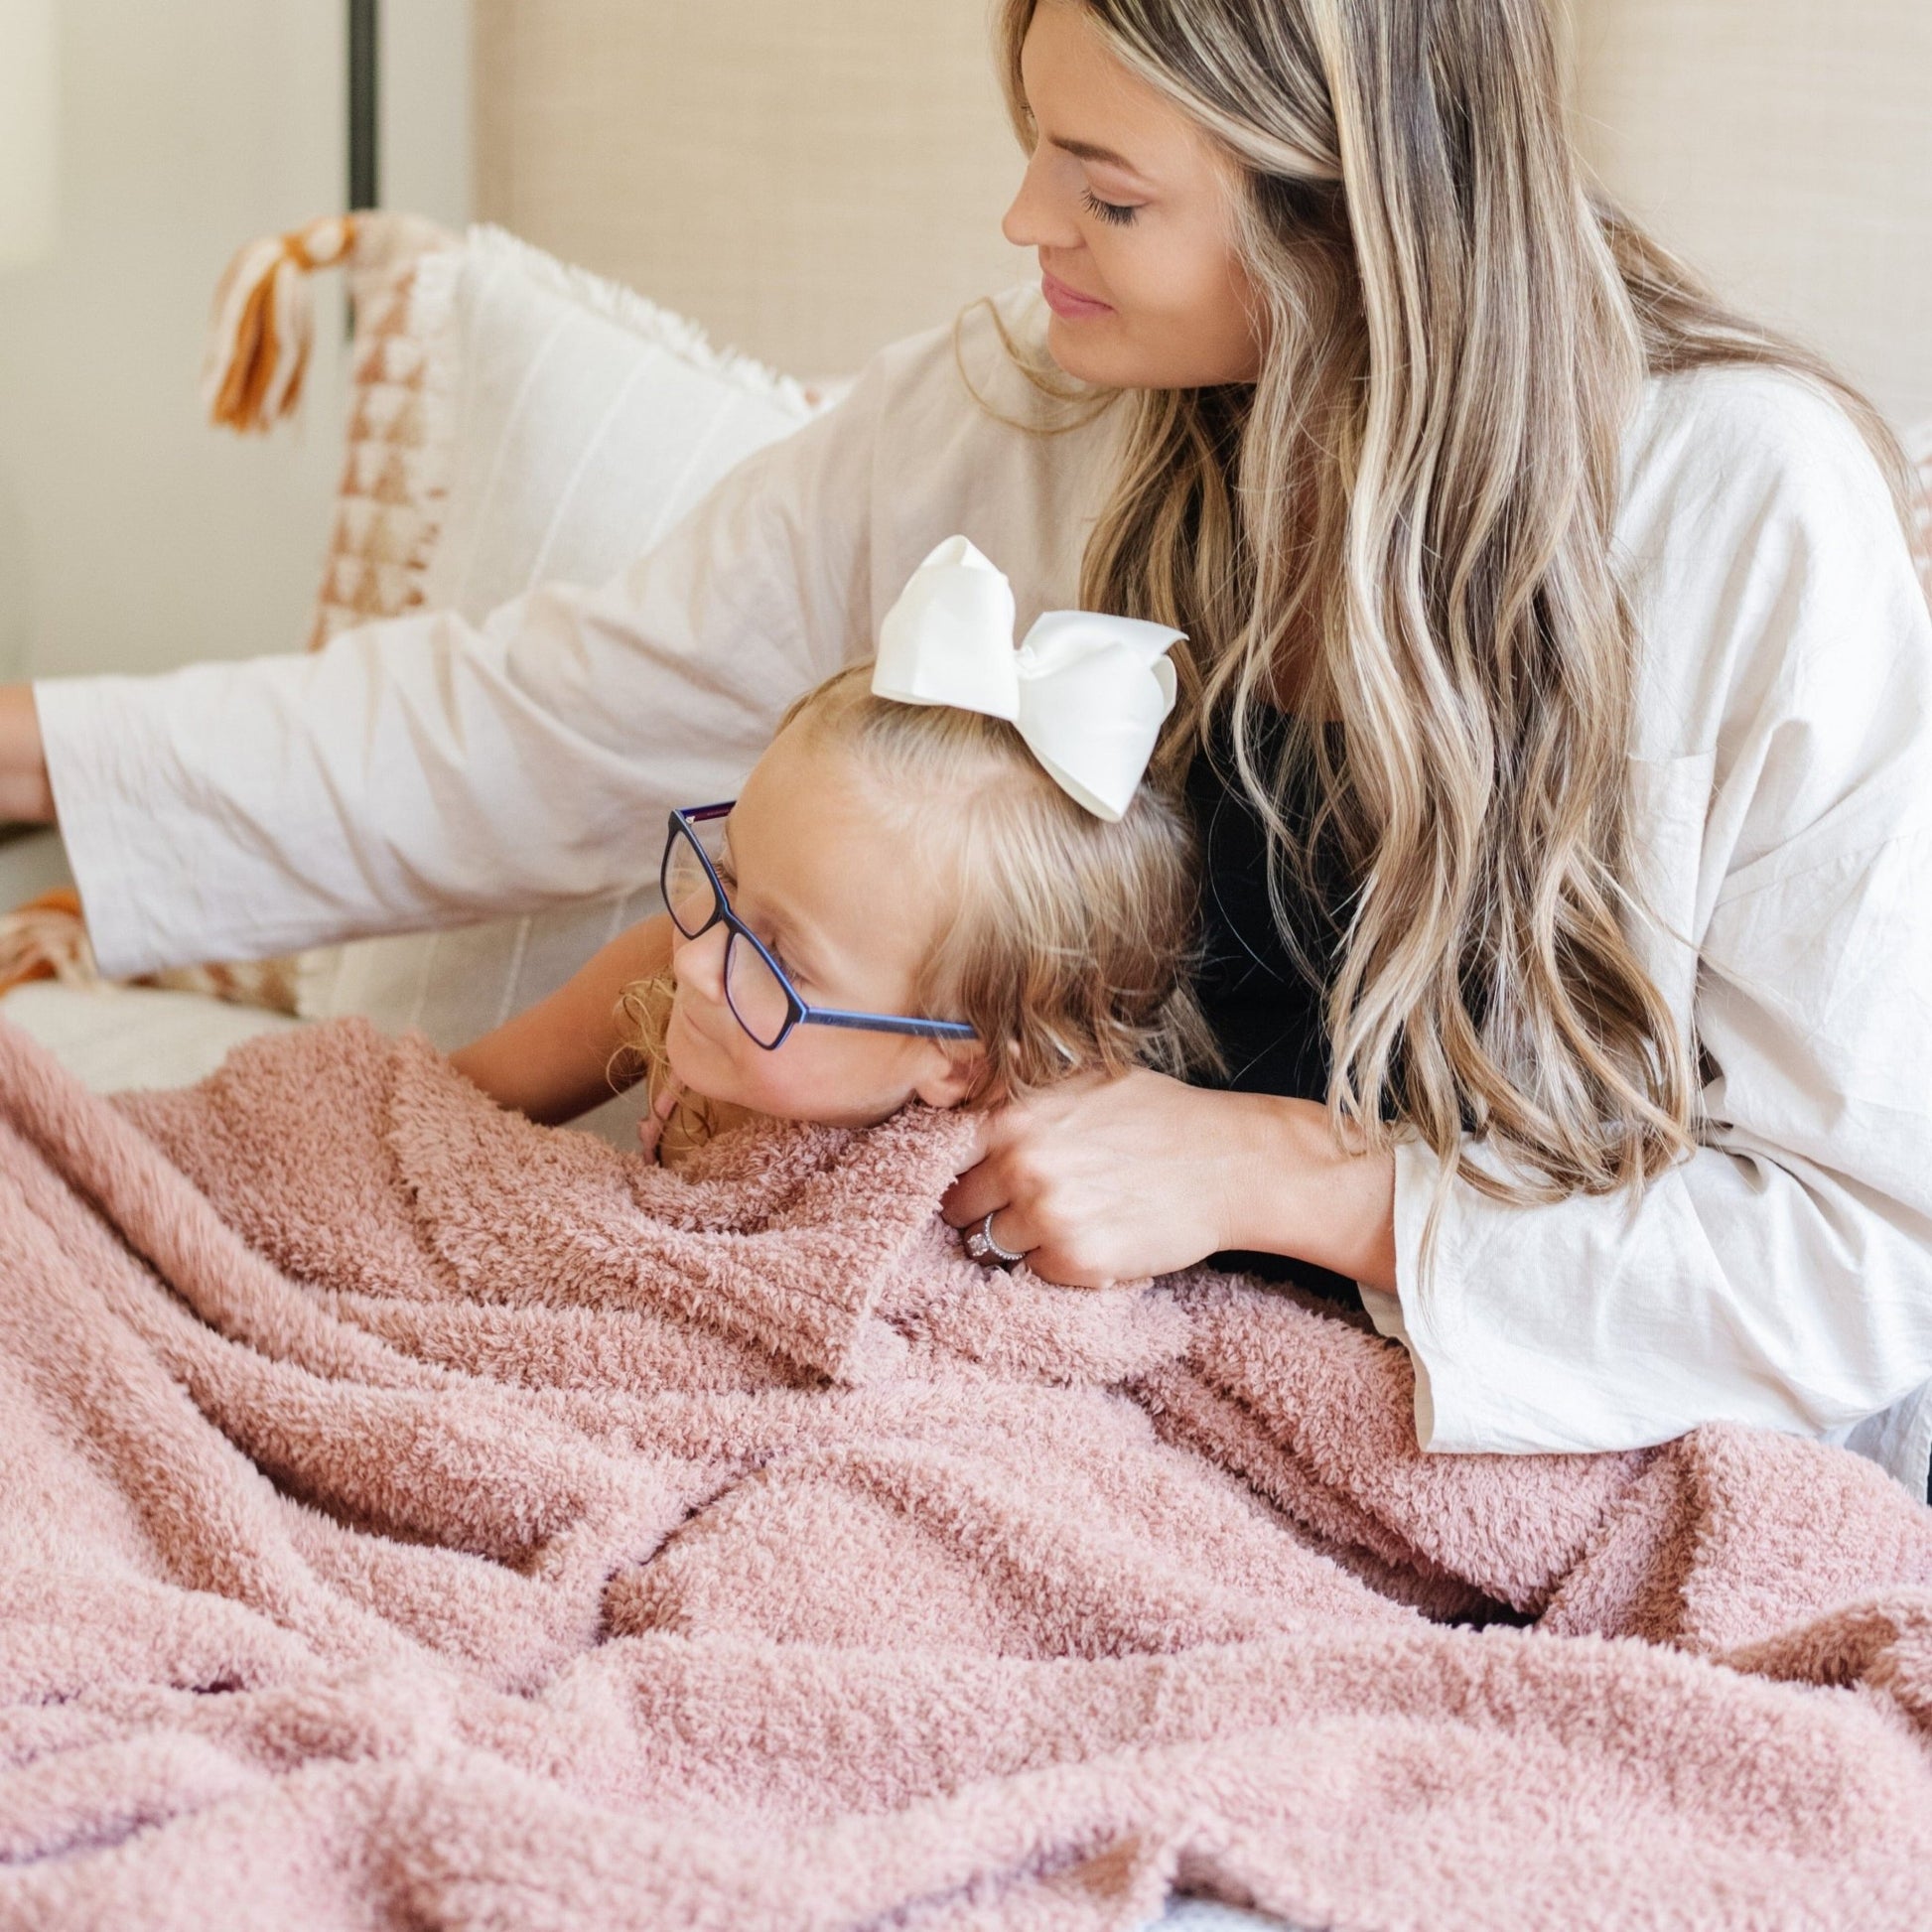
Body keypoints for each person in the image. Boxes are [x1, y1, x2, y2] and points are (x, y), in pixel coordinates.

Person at [2, 0, 1928, 1497]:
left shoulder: (1743, 515)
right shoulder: (1017, 409)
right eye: (1033, 148)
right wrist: (36, 754)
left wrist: (1290, 1177)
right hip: (1024, 1402)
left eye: (1105, 190)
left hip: (1509, 1454)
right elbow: (545, 724)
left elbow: (1855, 1256)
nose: (1025, 227)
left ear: (1347, 203)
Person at [526, 536, 1214, 1183]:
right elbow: (440, 1117)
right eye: (728, 878)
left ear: (959, 1067)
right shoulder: (664, 985)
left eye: (781, 962)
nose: (694, 962)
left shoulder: (964, 1220)